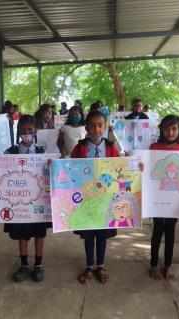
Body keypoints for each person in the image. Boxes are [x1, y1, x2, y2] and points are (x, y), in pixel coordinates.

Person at [70, 111, 120, 284]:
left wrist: (136, 166)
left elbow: (120, 169)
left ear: (105, 127)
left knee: (102, 233)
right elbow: (71, 168)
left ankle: (101, 265)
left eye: (100, 125)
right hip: (87, 200)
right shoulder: (80, 147)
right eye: (92, 125)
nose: (96, 129)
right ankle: (89, 266)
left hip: (105, 200)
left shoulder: (111, 147)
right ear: (86, 127)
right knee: (89, 234)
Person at [3, 115, 48, 282]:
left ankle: (38, 264)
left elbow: (52, 172)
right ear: (18, 131)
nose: (26, 133)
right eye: (23, 130)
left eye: (30, 130)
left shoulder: (42, 152)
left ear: (35, 131)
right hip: (18, 201)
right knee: (22, 233)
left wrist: (52, 165)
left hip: (38, 201)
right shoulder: (9, 152)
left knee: (39, 233)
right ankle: (23, 264)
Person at [148, 115, 179, 280]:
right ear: (161, 130)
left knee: (170, 231)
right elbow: (149, 170)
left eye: (174, 128)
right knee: (157, 230)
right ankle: (153, 264)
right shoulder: (154, 147)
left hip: (176, 200)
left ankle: (168, 264)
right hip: (158, 198)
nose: (170, 132)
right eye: (167, 128)